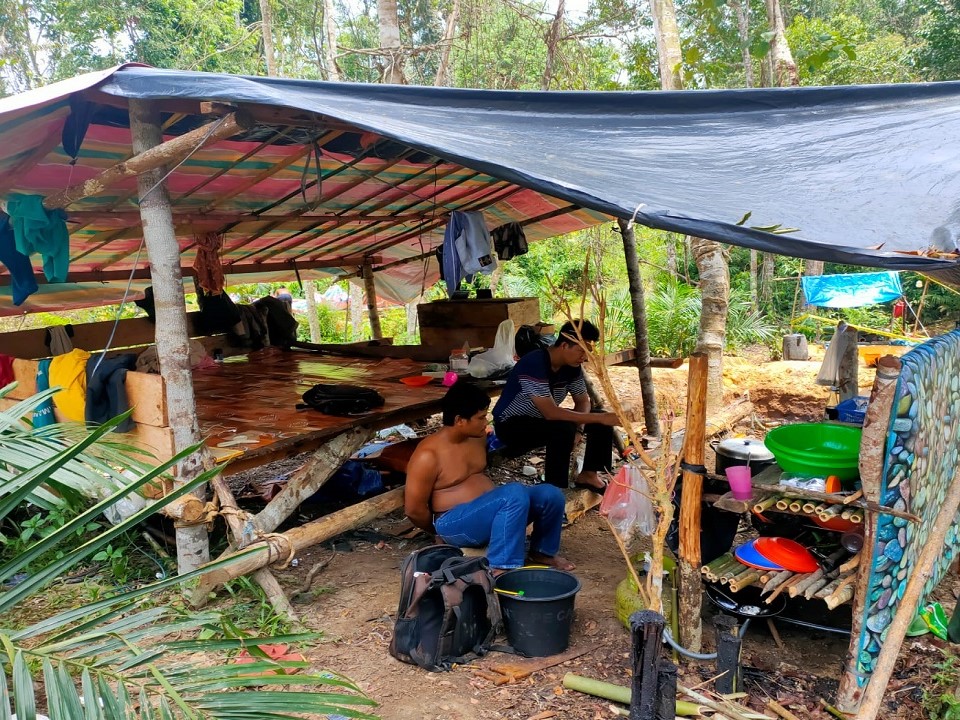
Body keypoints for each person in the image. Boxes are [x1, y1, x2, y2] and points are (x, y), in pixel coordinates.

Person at [404, 381, 574, 573]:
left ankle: (543, 552)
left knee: (550, 494)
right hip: (454, 524)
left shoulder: (477, 438)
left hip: (492, 514)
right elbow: (414, 509)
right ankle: (501, 566)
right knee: (513, 493)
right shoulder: (428, 455)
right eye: (481, 417)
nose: (486, 423)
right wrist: (438, 532)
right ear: (460, 420)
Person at [492, 319, 618, 492]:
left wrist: (580, 429)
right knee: (565, 427)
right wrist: (598, 418)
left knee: (599, 421)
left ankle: (589, 475)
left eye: (588, 352)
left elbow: (582, 401)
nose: (585, 357)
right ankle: (554, 487)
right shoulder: (534, 363)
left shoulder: (572, 367)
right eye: (581, 351)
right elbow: (551, 413)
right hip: (510, 426)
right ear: (564, 345)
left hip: (540, 421)